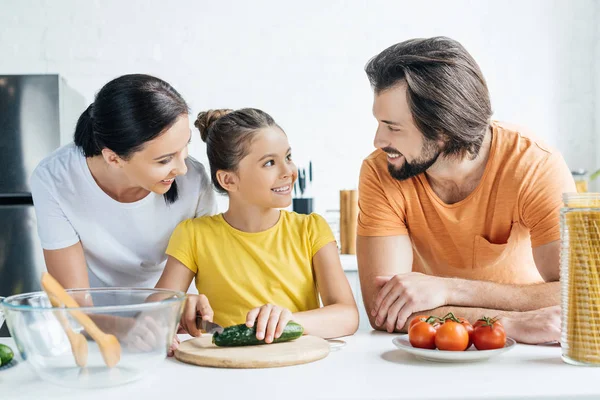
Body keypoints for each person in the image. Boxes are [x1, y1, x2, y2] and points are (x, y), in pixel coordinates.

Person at [356, 37, 575, 344]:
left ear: (443, 128)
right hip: (435, 348)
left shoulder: (533, 164)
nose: (378, 140)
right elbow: (387, 314)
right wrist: (509, 323)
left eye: (393, 127)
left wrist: (447, 290)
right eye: (380, 123)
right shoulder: (382, 172)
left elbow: (580, 293)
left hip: (530, 349)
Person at [156, 108, 358, 350]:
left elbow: (348, 315)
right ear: (228, 180)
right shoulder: (194, 235)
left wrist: (288, 321)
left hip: (298, 367)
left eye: (288, 157)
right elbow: (155, 309)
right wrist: (178, 307)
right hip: (224, 368)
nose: (288, 172)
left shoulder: (311, 229)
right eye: (270, 163)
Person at [31, 74, 216, 290]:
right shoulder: (55, 179)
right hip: (94, 318)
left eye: (185, 146)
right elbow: (75, 302)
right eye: (164, 160)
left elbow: (200, 281)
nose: (183, 169)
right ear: (113, 158)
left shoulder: (195, 181)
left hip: (172, 313)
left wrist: (170, 315)